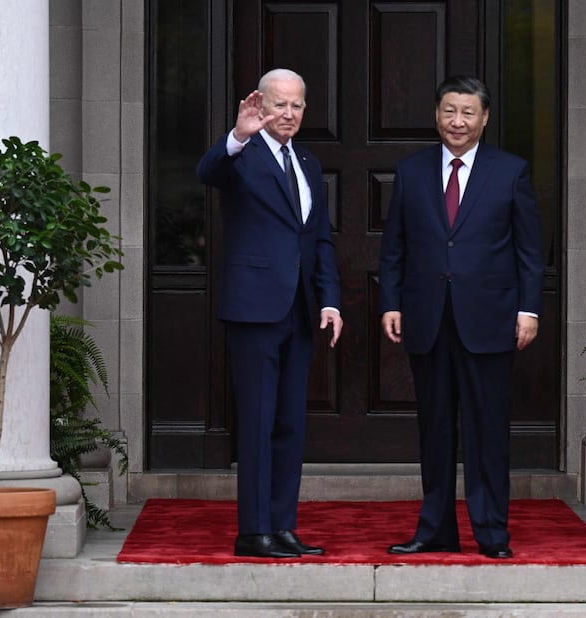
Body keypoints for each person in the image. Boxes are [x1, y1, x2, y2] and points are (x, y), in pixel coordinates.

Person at [378, 75, 544, 559]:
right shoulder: (411, 171)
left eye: (468, 113)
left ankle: (491, 533)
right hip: (427, 320)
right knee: (434, 430)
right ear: (436, 114)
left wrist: (528, 309)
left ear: (484, 118)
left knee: (487, 431)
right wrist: (391, 302)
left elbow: (529, 251)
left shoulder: (510, 171)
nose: (457, 121)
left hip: (490, 320)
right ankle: (435, 529)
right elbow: (395, 248)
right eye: (449, 111)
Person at [196, 68, 343, 558]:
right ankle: (252, 531)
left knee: (288, 424)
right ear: (261, 105)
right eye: (280, 104)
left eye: (297, 105)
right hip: (254, 308)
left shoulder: (308, 161)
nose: (289, 114)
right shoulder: (243, 155)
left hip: (299, 310)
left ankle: (282, 527)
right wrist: (238, 134)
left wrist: (329, 299)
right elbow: (207, 171)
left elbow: (318, 238)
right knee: (257, 422)